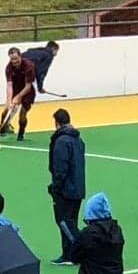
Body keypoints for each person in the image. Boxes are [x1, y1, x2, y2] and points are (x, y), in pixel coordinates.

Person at [46, 109, 85, 265]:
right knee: (71, 220)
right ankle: (68, 253)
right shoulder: (78, 140)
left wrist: (55, 187)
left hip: (66, 189)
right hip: (77, 187)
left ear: (56, 122)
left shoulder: (62, 142)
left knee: (63, 220)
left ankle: (78, 250)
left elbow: (60, 168)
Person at [0, 47, 37, 144]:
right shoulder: (9, 68)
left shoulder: (29, 66)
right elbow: (9, 85)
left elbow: (28, 86)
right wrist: (9, 102)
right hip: (15, 89)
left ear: (20, 56)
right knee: (6, 111)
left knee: (22, 115)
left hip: (27, 92)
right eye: (12, 59)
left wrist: (18, 96)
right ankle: (2, 129)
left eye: (16, 59)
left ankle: (21, 133)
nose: (14, 61)